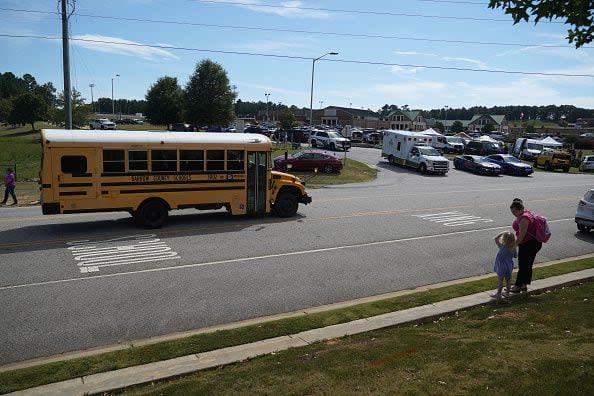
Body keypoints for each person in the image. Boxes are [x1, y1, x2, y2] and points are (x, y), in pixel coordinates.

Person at [509, 198, 542, 293]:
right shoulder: (526, 213)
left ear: (520, 209)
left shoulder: (524, 219)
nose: (513, 213)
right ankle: (524, 285)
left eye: (514, 211)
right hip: (532, 243)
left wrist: (513, 246)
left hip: (529, 244)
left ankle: (517, 286)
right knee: (527, 265)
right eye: (512, 211)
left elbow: (521, 237)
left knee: (523, 265)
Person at [491, 231, 517, 299]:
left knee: (500, 280)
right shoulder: (513, 247)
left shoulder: (502, 246)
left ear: (504, 239)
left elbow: (496, 239)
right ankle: (507, 293)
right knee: (508, 280)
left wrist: (503, 232)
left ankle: (499, 293)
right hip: (509, 266)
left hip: (501, 266)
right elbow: (515, 256)